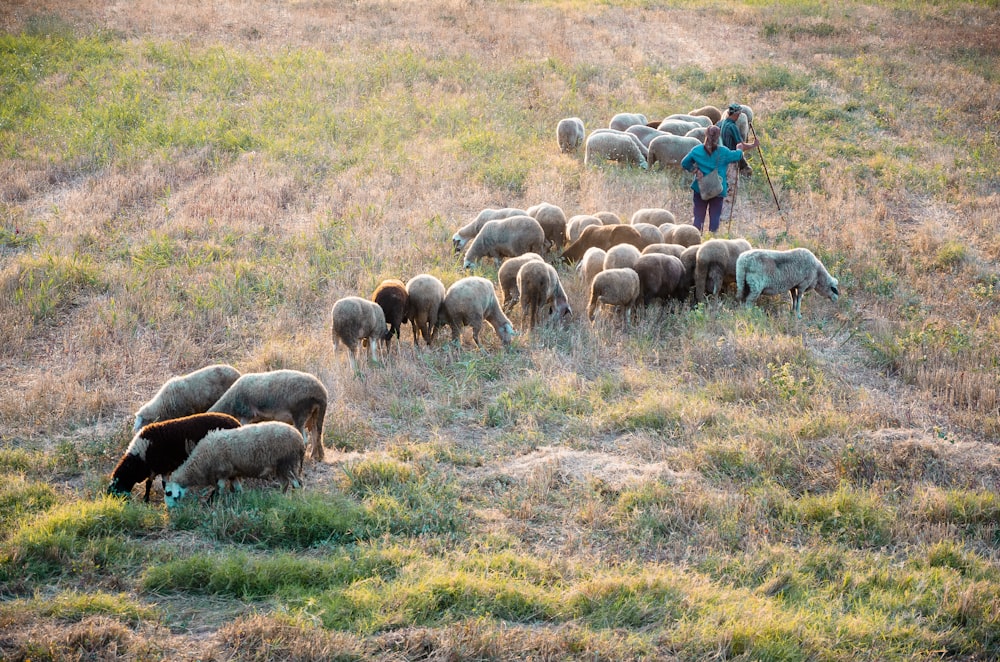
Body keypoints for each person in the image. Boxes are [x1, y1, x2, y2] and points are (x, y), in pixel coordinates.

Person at [680, 124, 758, 234]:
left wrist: (695, 170)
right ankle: (712, 239)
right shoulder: (724, 152)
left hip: (700, 188)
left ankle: (696, 238)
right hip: (717, 189)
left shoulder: (696, 150)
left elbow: (684, 163)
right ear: (718, 137)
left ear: (705, 134)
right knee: (715, 218)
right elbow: (737, 156)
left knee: (698, 217)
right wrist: (739, 149)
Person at [719, 102, 752, 221]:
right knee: (731, 187)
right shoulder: (733, 127)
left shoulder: (720, 123)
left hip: (720, 160)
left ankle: (720, 211)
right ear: (736, 114)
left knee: (722, 185)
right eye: (739, 113)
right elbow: (740, 145)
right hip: (731, 160)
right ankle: (726, 215)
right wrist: (754, 145)